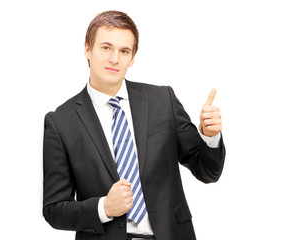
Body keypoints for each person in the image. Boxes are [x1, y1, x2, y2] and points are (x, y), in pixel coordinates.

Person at [43, 10, 225, 240]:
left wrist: (210, 137)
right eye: (106, 47)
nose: (114, 59)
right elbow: (54, 209)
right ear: (87, 49)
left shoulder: (162, 100)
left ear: (133, 57)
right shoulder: (61, 122)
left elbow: (207, 172)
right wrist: (103, 208)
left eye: (124, 51)